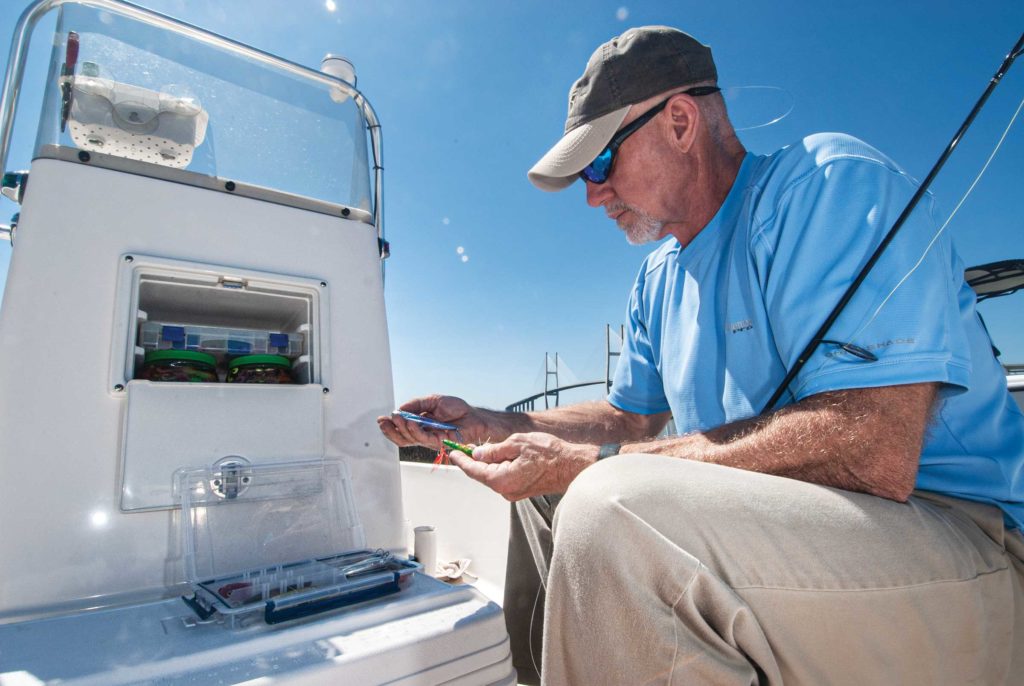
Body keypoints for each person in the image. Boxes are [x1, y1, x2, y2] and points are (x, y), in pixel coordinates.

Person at [378, 26, 1024, 685]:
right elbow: (627, 419)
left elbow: (873, 449)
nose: (592, 194)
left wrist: (594, 465)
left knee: (610, 507)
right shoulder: (657, 281)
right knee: (548, 497)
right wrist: (494, 424)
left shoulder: (829, 188)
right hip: (813, 532)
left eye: (599, 164)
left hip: (966, 538)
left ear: (680, 122)